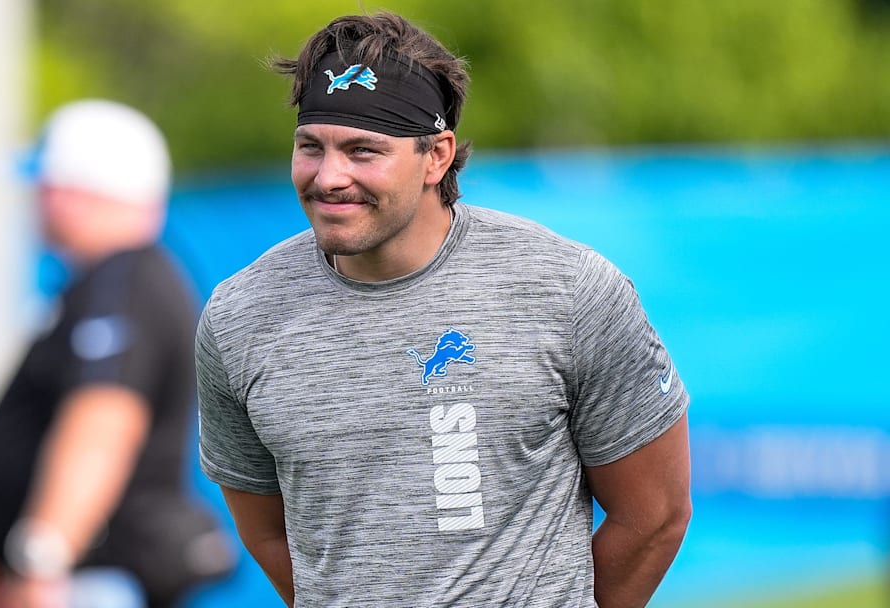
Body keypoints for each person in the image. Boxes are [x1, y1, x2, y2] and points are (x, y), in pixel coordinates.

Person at [195, 11, 691, 608]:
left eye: (362, 150)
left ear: (437, 156)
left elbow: (655, 516)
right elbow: (268, 534)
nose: (329, 177)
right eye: (311, 147)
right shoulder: (239, 316)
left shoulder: (567, 289)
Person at [0, 99, 234, 608]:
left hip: (89, 582)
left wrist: (40, 559)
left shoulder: (125, 281)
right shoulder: (114, 280)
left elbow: (103, 422)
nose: (36, 201)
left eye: (45, 186)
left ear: (75, 191)